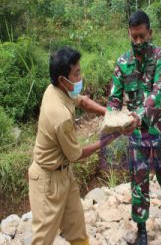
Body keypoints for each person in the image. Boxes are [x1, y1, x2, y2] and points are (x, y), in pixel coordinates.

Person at [107, 10, 161, 245]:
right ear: (129, 34)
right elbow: (114, 99)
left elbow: (158, 91)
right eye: (134, 37)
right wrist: (113, 120)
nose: (138, 42)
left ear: (150, 33)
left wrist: (139, 115)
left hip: (159, 128)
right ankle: (141, 228)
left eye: (142, 36)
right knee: (139, 179)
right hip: (136, 135)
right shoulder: (122, 63)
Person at [28, 46, 108, 245]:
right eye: (77, 73)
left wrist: (109, 114)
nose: (81, 77)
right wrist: (107, 140)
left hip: (65, 175)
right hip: (47, 181)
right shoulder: (60, 115)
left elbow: (83, 101)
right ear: (64, 79)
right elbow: (76, 154)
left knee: (77, 231)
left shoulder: (57, 88)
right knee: (43, 240)